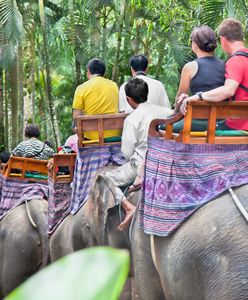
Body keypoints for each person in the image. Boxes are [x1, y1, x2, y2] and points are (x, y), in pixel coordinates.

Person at [102, 78, 173, 231]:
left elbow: (127, 153)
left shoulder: (132, 119)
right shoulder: (169, 113)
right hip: (168, 160)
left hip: (140, 164)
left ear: (128, 99)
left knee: (104, 179)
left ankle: (128, 208)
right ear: (146, 93)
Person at [180, 18, 248, 130]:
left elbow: (228, 90)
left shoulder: (236, 61)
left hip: (238, 125)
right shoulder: (228, 62)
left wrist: (199, 96)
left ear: (222, 40)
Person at [173, 25, 225, 132]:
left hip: (196, 123)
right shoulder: (225, 65)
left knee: (159, 126)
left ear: (195, 44)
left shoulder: (190, 67)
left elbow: (180, 97)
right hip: (220, 122)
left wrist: (174, 114)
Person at [72, 58, 120, 140]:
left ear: (88, 71)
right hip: (113, 137)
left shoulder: (81, 88)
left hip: (91, 139)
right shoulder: (114, 86)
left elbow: (76, 116)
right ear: (103, 73)